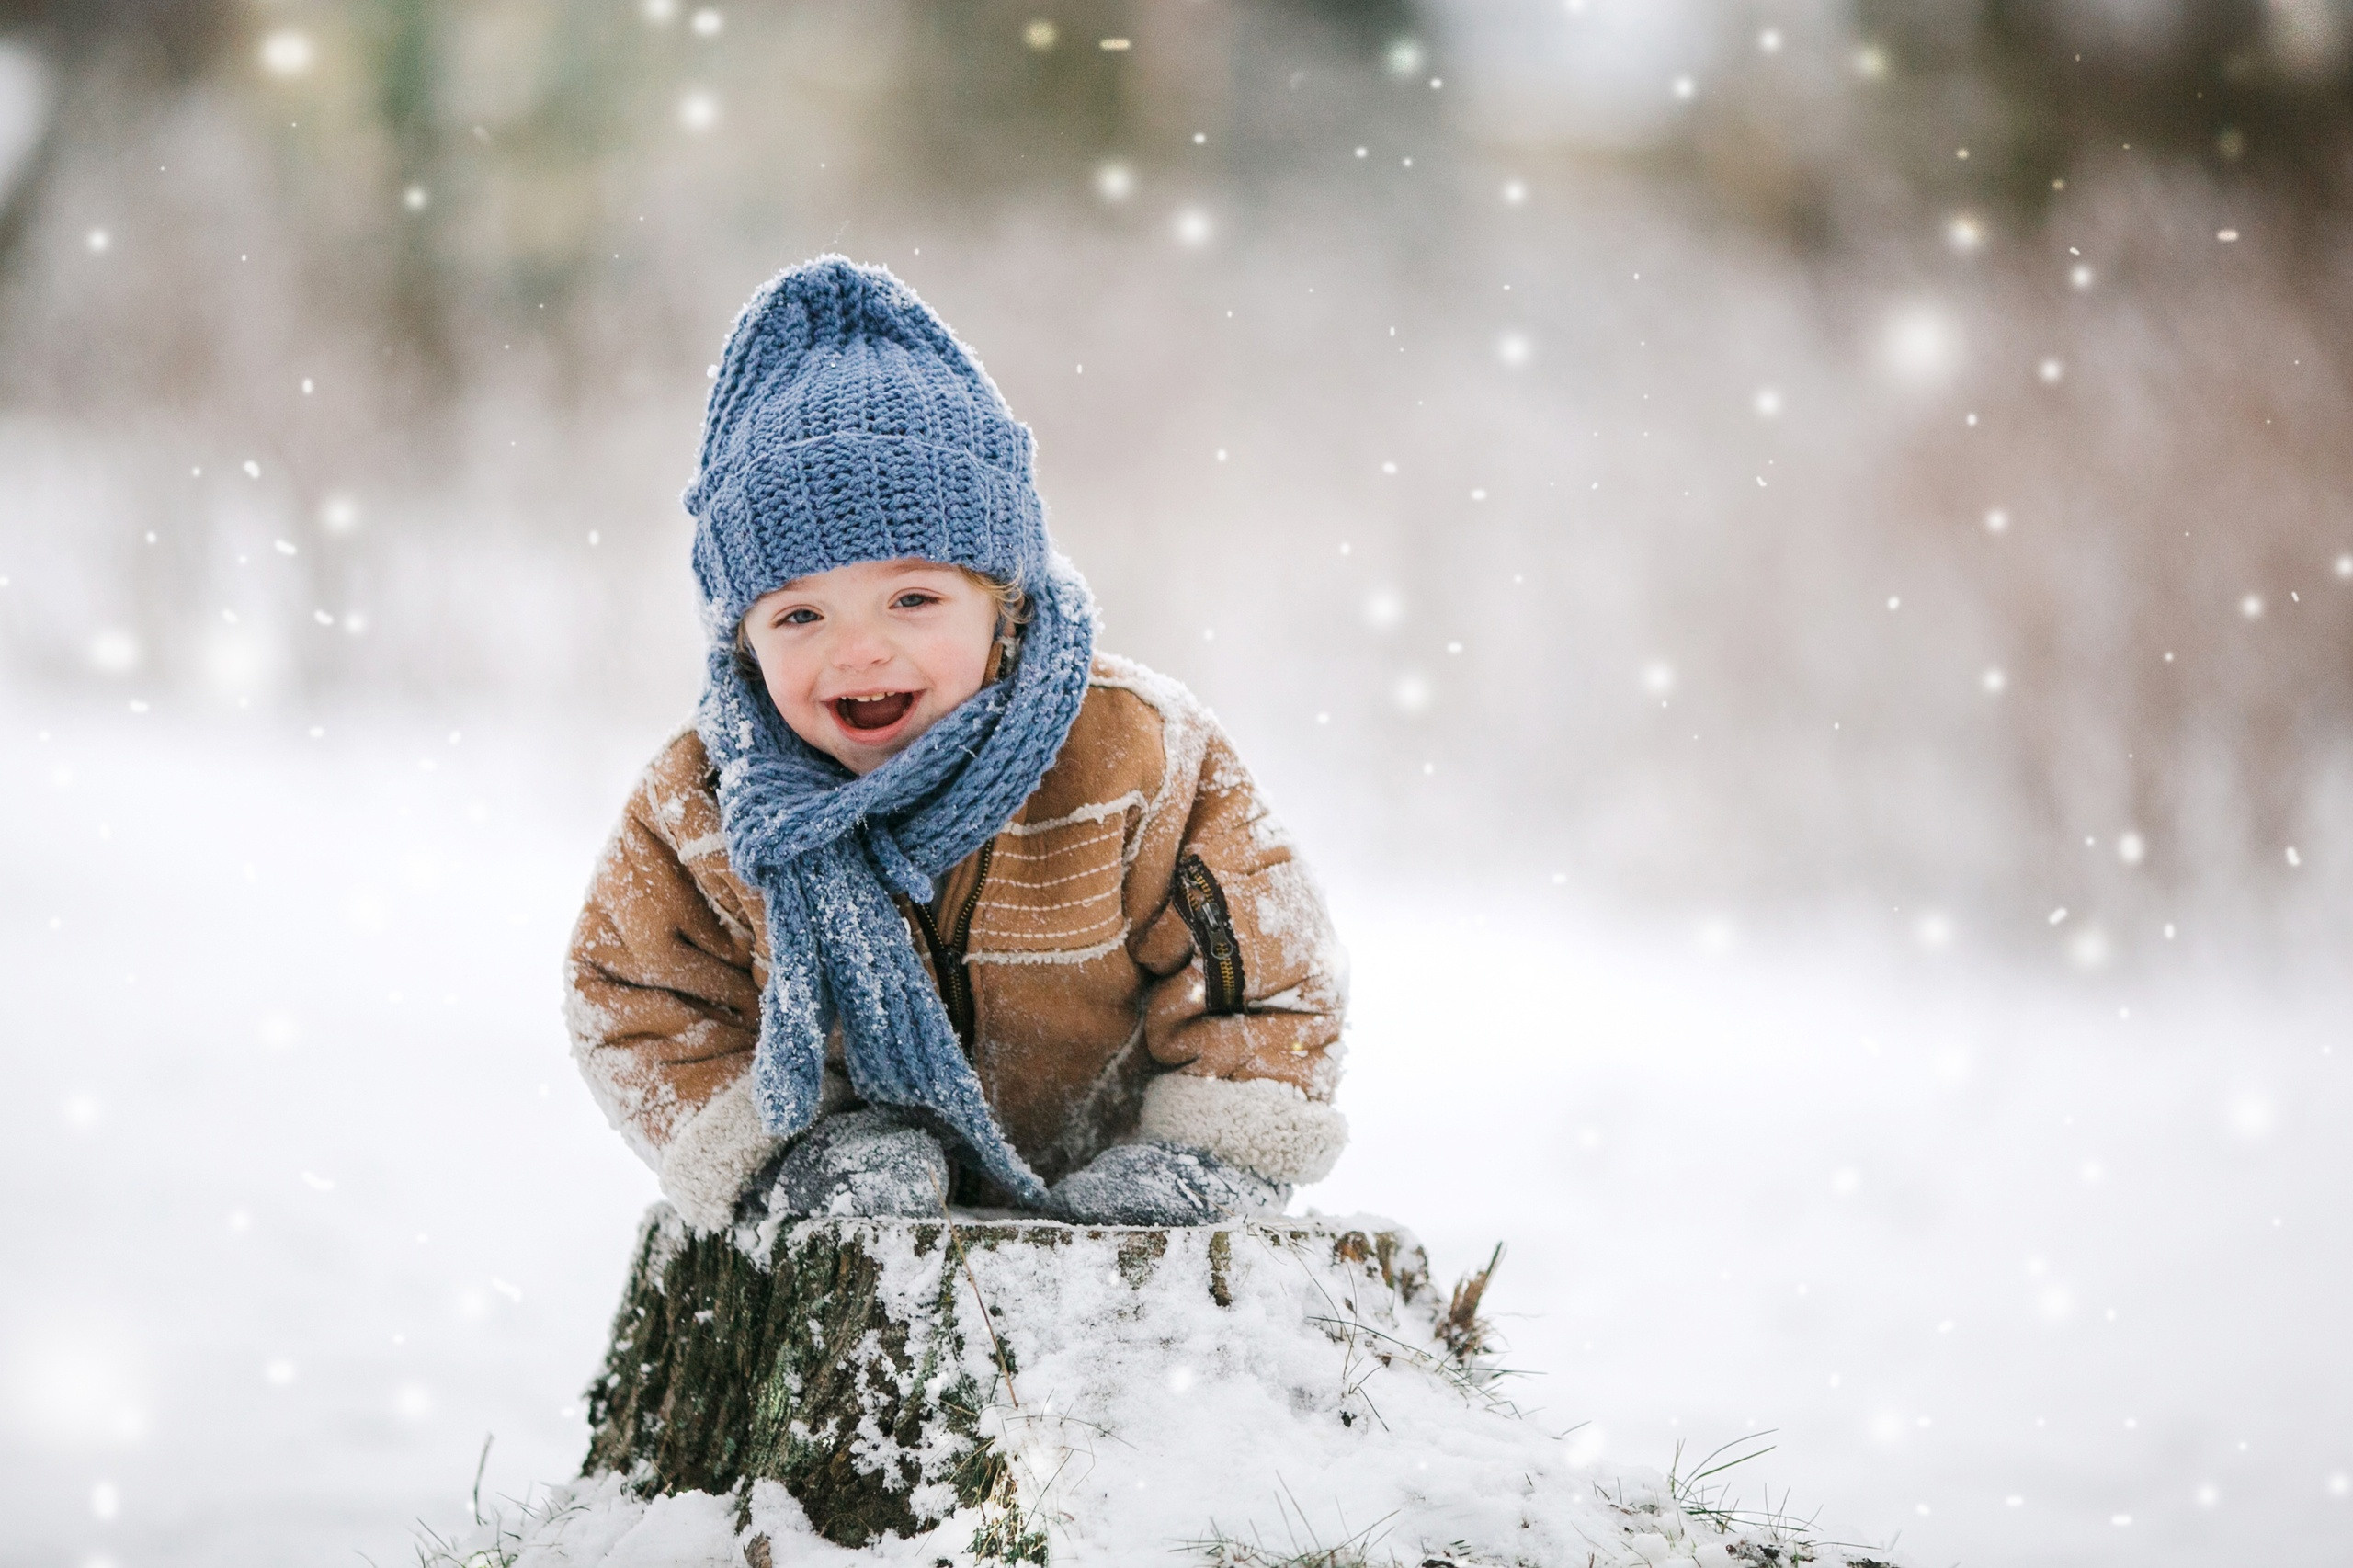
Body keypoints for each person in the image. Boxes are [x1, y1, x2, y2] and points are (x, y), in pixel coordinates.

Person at [563, 256, 1347, 1232]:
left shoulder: (1135, 758)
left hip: (1122, 1233)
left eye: (913, 598)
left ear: (1002, 601)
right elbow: (635, 994)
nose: (859, 648)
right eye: (799, 615)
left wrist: (1210, 1150)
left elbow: (1264, 970)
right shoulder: (703, 806)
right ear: (742, 642)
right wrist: (782, 1154)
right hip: (860, 1274)